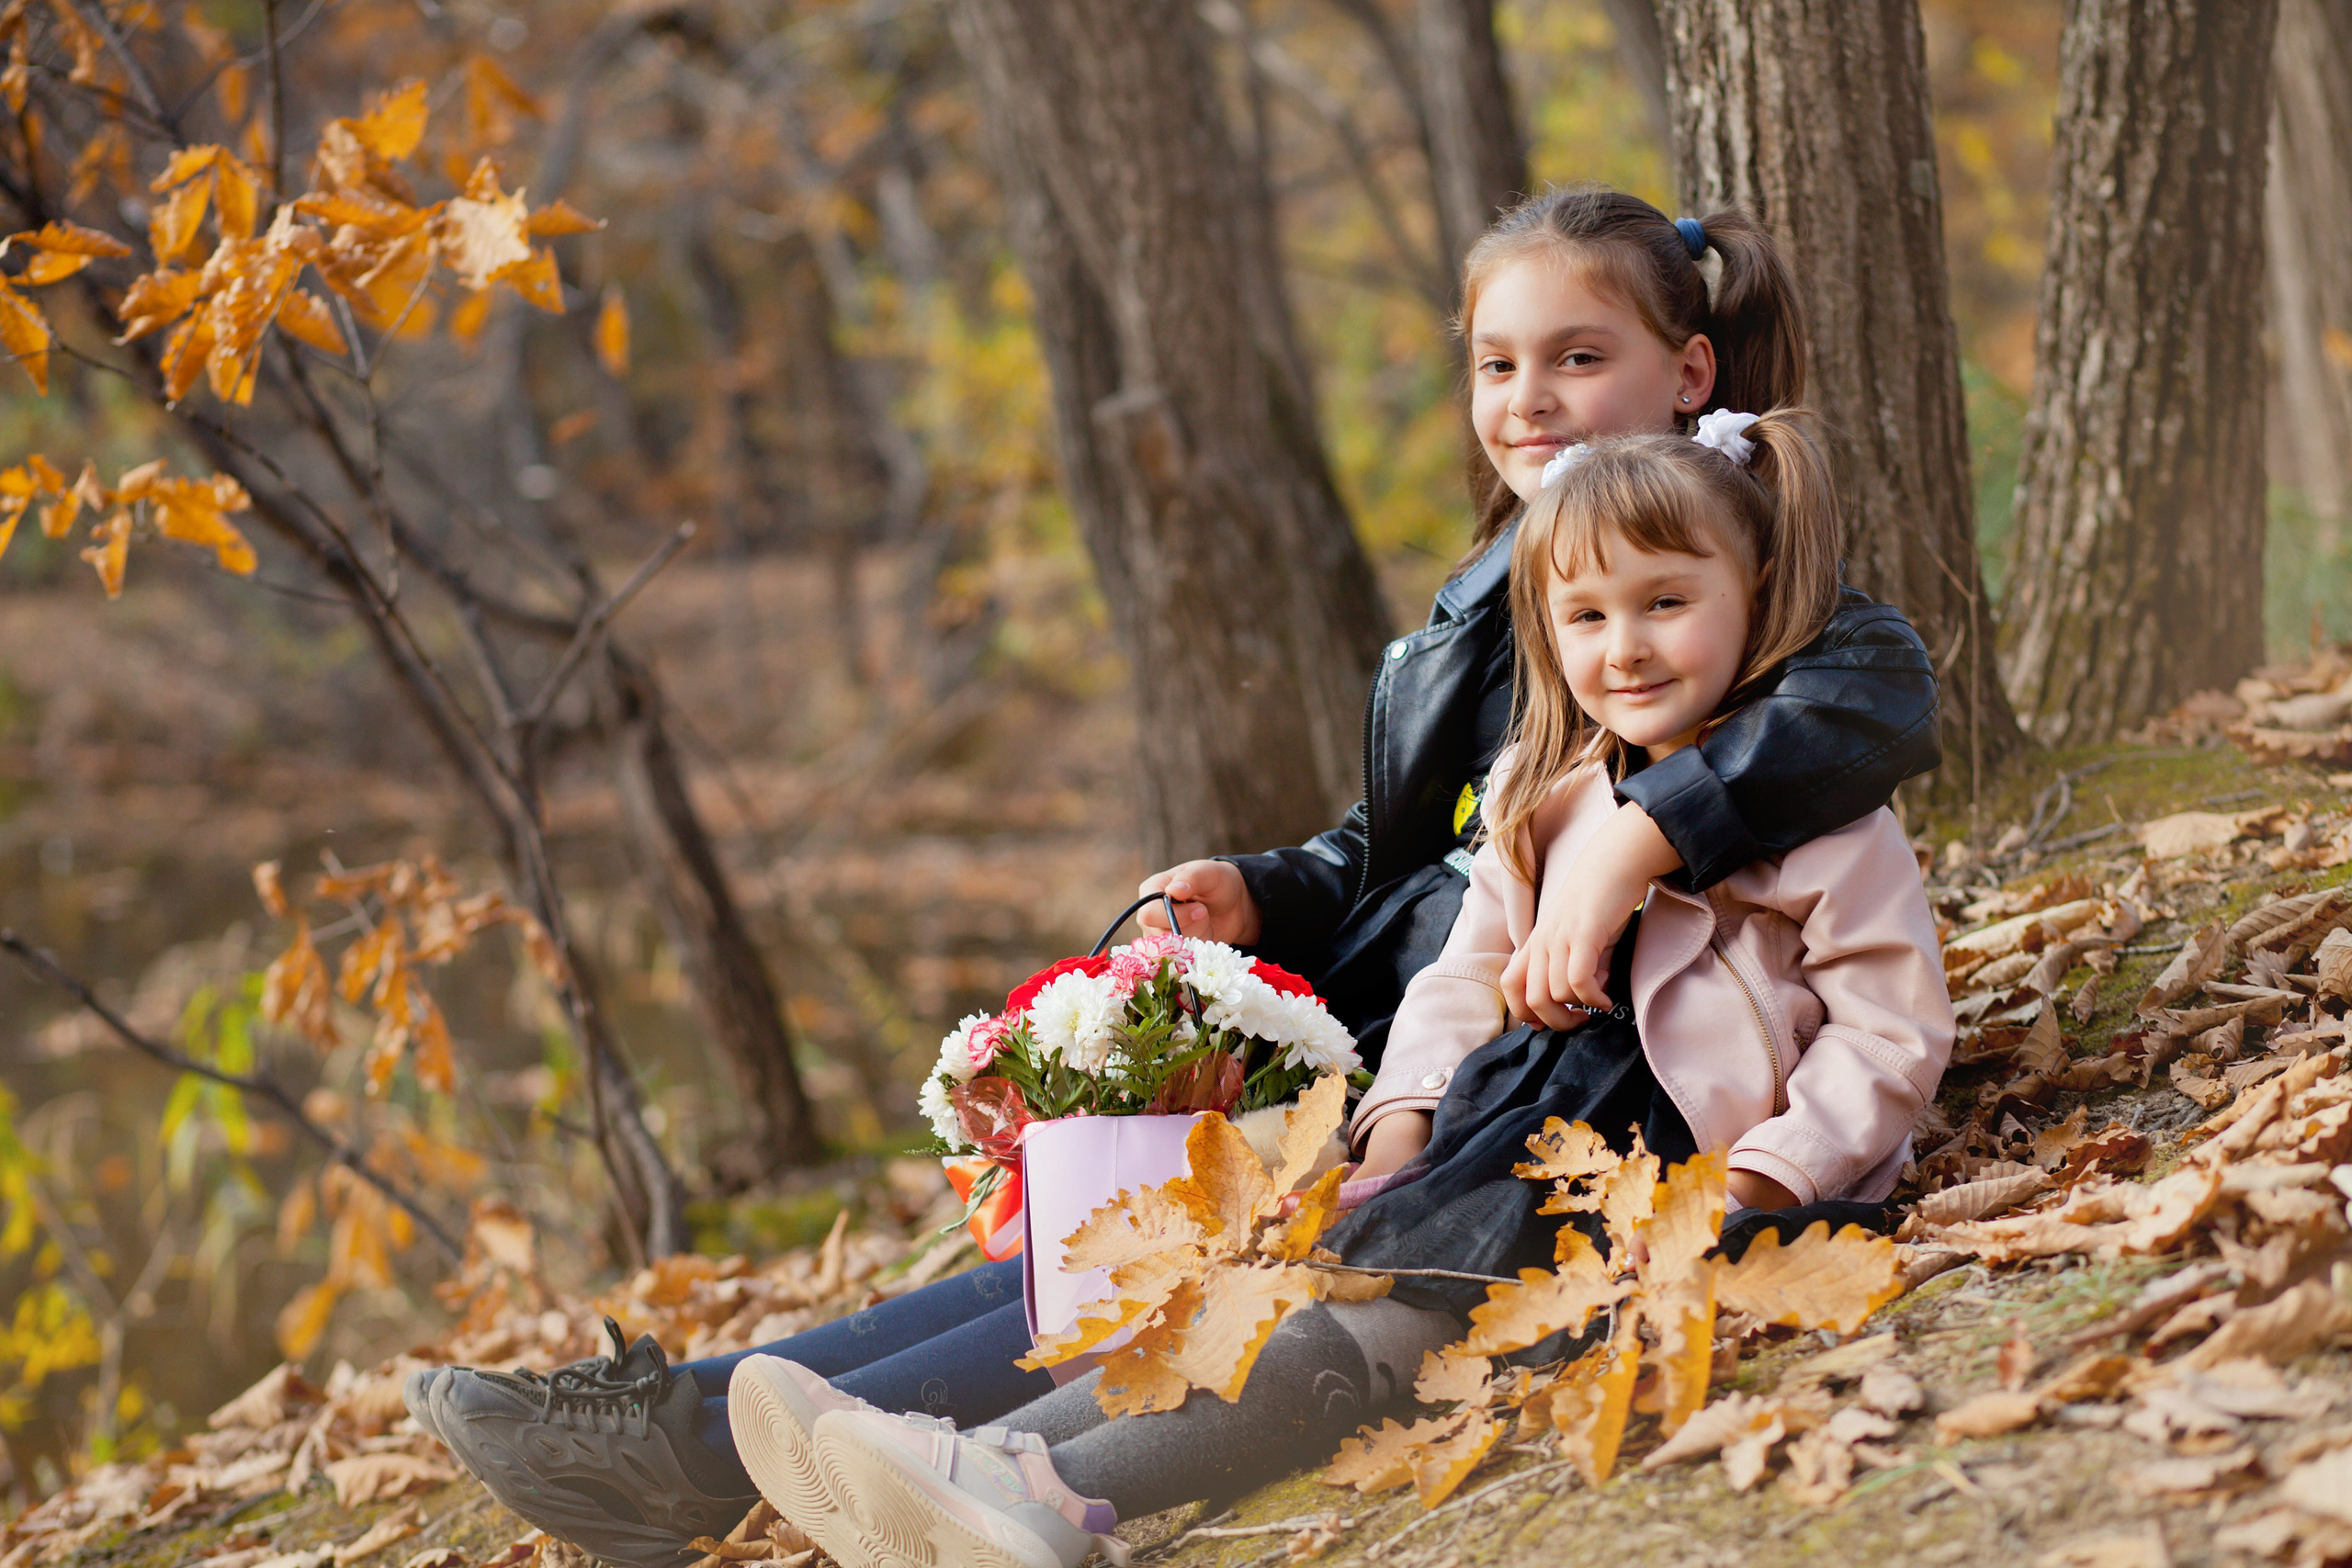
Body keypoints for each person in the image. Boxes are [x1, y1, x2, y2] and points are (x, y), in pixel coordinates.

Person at [404, 186, 1939, 1567]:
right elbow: (1418, 853)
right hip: (1451, 1064)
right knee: (1123, 1217)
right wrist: (1267, 890)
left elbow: (1870, 694)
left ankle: (727, 1452)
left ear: (1689, 375)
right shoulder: (1514, 597)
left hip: (1591, 1099)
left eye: (1576, 359)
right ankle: (743, 1429)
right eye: (1495, 364)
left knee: (1218, 1266)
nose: (1529, 400)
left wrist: (1632, 837)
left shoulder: (1753, 596)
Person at [738, 407, 1956, 1568]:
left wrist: (1764, 1177)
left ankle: (1052, 1496)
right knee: (1274, 1288)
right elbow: (1461, 983)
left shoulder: (1822, 826)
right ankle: (972, 1463)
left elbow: (1889, 1033)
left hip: (1690, 1179)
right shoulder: (1551, 805)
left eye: (1668, 604)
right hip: (1504, 1144)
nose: (1624, 646)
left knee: (1372, 1338)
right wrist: (1407, 1115)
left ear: (1758, 605)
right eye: (1585, 616)